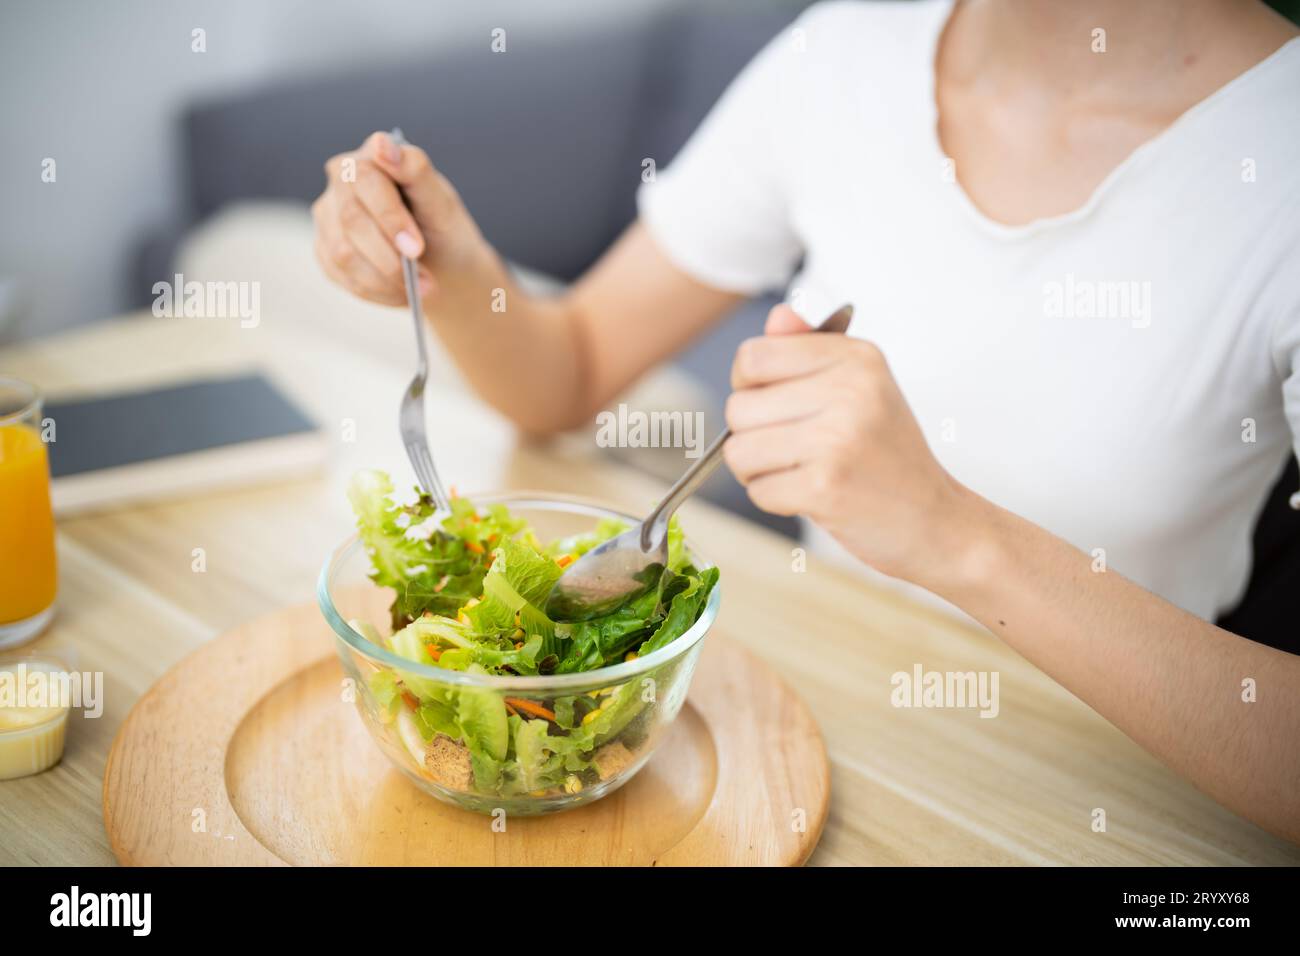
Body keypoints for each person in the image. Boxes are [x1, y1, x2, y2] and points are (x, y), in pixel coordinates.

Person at [312, 0, 1300, 842]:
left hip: (1097, 814)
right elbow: (567, 372)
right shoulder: (846, 54)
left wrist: (948, 531)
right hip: (811, 738)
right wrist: (447, 266)